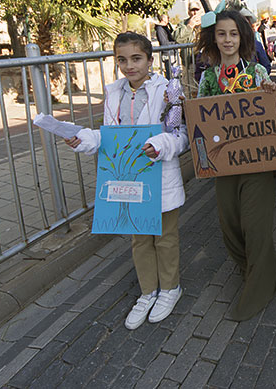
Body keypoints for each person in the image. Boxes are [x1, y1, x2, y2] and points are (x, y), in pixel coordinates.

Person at [65, 32, 188, 330]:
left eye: (136, 58)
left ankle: (170, 289)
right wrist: (84, 139)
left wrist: (161, 145)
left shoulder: (168, 91)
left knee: (165, 237)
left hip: (158, 174)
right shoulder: (114, 92)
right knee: (139, 239)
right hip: (128, 176)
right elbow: (110, 135)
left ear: (149, 59)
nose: (129, 65)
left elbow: (181, 135)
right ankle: (148, 291)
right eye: (122, 59)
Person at [196, 9, 276, 321]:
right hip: (224, 165)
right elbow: (199, 119)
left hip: (258, 162)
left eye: (233, 33)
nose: (228, 39)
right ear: (213, 38)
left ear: (242, 37)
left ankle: (259, 287)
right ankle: (259, 267)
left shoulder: (259, 73)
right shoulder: (208, 78)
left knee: (256, 225)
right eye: (221, 34)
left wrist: (272, 93)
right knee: (230, 225)